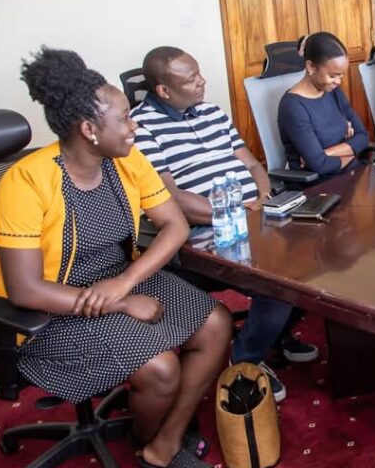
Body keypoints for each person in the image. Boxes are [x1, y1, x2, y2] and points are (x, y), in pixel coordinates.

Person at [0, 48, 231, 468]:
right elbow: (24, 289)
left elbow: (174, 224)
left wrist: (125, 283)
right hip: (49, 310)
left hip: (116, 279)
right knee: (160, 368)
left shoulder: (127, 159)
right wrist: (122, 302)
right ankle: (152, 443)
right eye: (125, 118)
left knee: (216, 322)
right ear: (89, 129)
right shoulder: (26, 181)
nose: (134, 126)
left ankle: (165, 441)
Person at [131, 46, 318, 403]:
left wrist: (263, 197)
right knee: (277, 279)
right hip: (204, 232)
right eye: (191, 79)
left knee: (316, 252)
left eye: (199, 73)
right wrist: (236, 213)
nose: (202, 82)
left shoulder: (213, 112)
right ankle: (244, 361)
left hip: (252, 214)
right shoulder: (141, 127)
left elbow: (253, 165)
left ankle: (274, 334)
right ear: (164, 90)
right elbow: (169, 198)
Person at [278, 32, 369, 174]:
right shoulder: (293, 107)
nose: (338, 81)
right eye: (332, 76)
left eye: (341, 75)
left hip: (349, 172)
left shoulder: (333, 91)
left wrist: (327, 153)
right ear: (311, 67)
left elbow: (363, 136)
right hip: (319, 182)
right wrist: (351, 151)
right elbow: (320, 165)